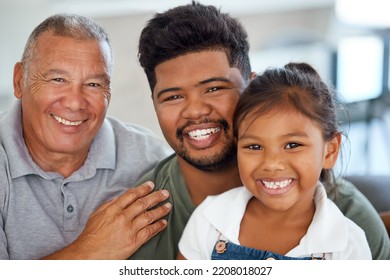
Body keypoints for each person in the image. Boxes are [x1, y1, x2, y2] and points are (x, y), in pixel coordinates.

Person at [132, 2, 390, 259]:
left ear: (250, 88)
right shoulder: (139, 219)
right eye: (173, 97)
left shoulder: (350, 219)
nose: (195, 111)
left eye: (214, 88)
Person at [0, 13, 173, 259]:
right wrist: (89, 251)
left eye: (93, 84)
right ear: (19, 81)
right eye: (58, 79)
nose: (75, 103)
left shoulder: (153, 160)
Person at [177, 62, 371, 260]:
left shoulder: (347, 246)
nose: (271, 163)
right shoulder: (209, 219)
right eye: (254, 147)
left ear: (329, 151)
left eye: (292, 145)